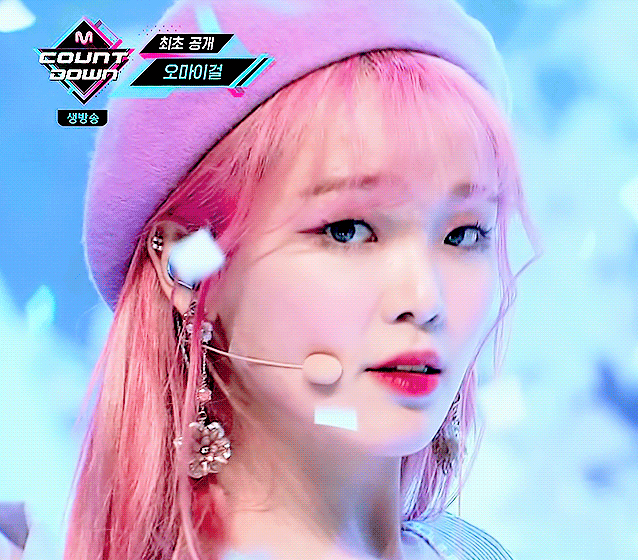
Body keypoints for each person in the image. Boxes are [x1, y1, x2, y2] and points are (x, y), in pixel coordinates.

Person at [66, 0, 542, 559]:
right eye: (347, 230)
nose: (424, 299)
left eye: (463, 235)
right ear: (187, 267)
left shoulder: (468, 549)